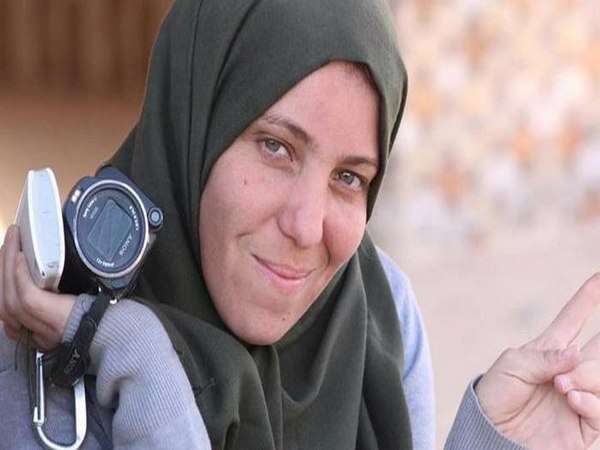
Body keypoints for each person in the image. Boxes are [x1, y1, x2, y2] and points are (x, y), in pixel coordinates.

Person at [1, 0, 600, 449]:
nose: (307, 227)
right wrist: (142, 360)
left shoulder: (380, 319)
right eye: (276, 147)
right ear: (193, 126)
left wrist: (491, 442)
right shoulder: (40, 342)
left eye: (350, 177)